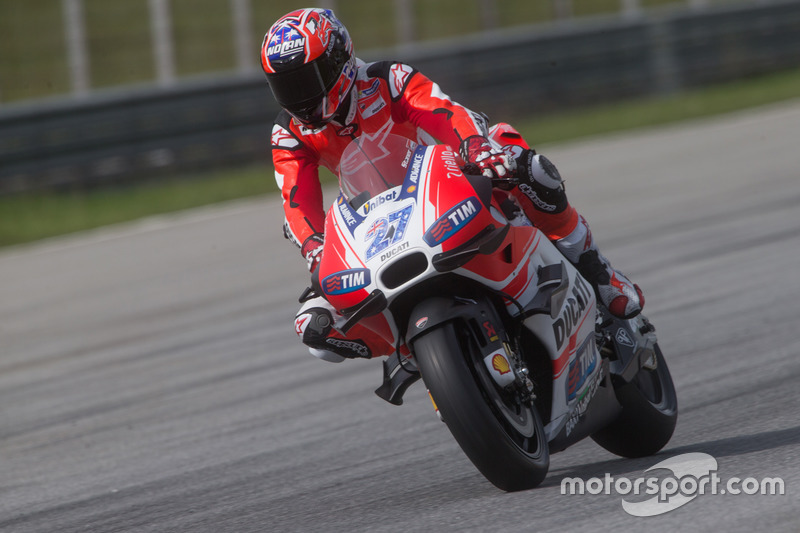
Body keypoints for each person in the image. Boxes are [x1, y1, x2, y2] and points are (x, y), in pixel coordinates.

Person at [261, 8, 644, 362]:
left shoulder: (385, 79)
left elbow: (442, 112)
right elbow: (296, 198)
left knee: (529, 168)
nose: (299, 97)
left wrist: (476, 147)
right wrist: (314, 244)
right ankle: (414, 354)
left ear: (337, 63)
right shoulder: (289, 132)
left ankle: (598, 273)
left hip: (450, 177)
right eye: (286, 87)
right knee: (312, 326)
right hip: (380, 219)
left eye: (305, 81)